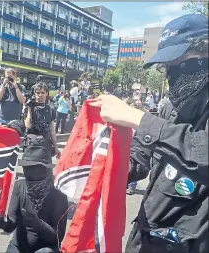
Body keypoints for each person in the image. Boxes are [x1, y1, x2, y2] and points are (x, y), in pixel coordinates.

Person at [89, 14, 208, 253]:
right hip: (148, 235)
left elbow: (202, 152)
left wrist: (136, 118)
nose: (169, 72)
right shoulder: (170, 105)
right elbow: (141, 158)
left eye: (177, 61)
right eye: (165, 65)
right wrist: (103, 162)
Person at [0, 144, 68, 253]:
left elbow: (58, 237)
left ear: (45, 169)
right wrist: (1, 222)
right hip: (18, 247)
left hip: (45, 248)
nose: (26, 170)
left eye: (32, 167)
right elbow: (10, 226)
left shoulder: (59, 198)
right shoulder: (19, 186)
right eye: (25, 167)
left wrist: (38, 224)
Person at [24, 82, 61, 158]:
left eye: (42, 93)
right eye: (37, 93)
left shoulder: (50, 109)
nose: (40, 95)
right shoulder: (30, 107)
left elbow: (52, 130)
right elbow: (27, 125)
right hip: (31, 144)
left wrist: (56, 148)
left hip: (45, 144)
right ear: (34, 94)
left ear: (46, 93)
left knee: (45, 169)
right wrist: (30, 109)